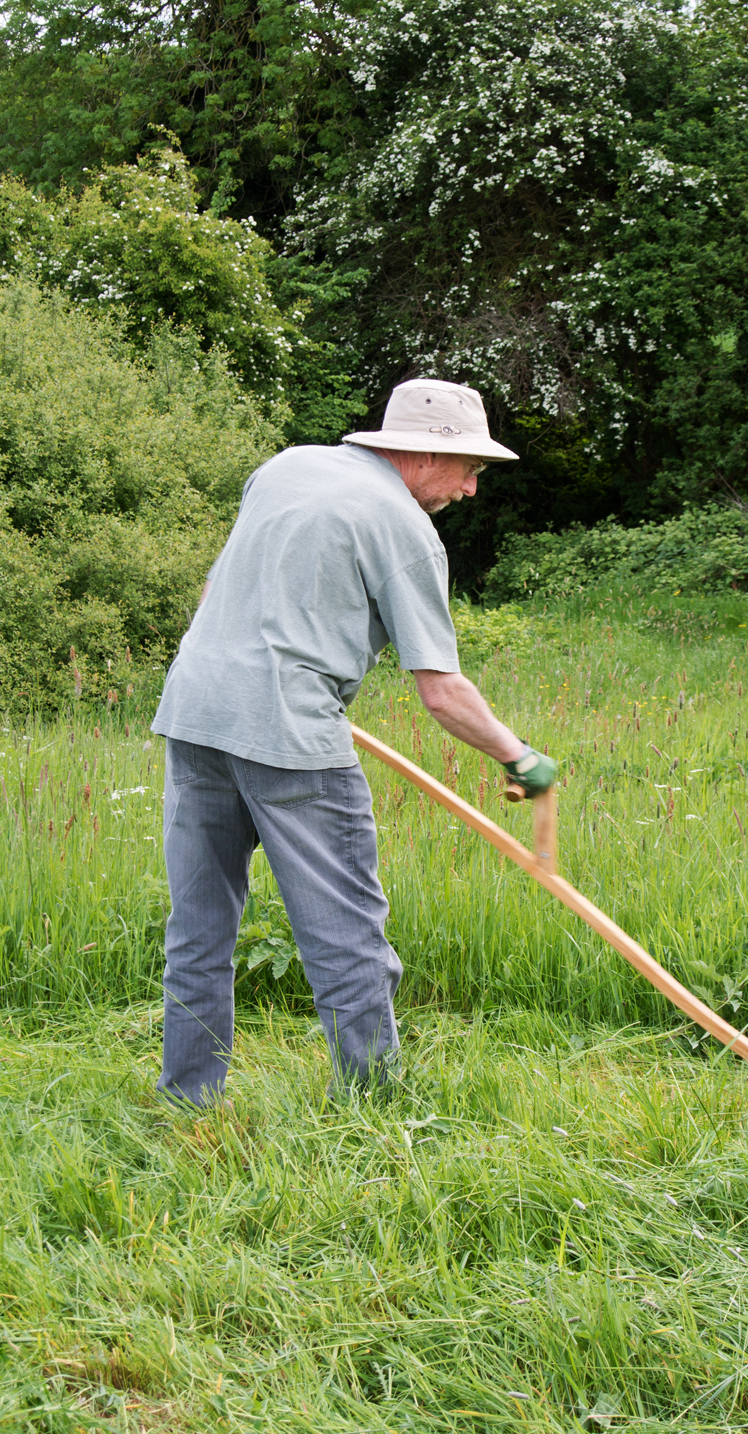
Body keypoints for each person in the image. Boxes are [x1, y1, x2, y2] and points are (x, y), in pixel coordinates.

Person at [150, 378, 557, 1108]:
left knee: (199, 931)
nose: (469, 490)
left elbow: (217, 595)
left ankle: (188, 1100)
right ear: (427, 453)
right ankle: (371, 1115)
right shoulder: (404, 530)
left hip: (195, 708)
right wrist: (519, 756)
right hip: (290, 737)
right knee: (347, 940)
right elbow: (443, 691)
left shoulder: (287, 467)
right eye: (470, 470)